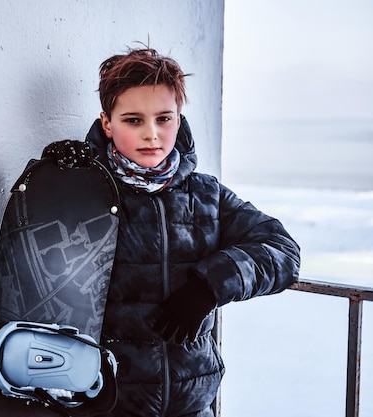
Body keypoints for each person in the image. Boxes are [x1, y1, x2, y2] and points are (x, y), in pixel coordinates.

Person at [41, 47, 301, 416]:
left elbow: (283, 251)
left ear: (179, 120)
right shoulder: (86, 192)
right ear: (107, 124)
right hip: (106, 404)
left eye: (164, 118)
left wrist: (209, 286)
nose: (152, 134)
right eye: (133, 120)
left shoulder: (206, 196)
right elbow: (38, 278)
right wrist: (57, 184)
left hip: (192, 405)